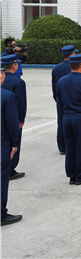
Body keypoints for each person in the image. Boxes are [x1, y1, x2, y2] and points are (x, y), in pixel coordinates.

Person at [57, 54, 81, 185]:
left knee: (70, 147)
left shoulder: (62, 81)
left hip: (67, 117)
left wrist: (62, 118)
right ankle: (80, 175)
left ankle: (72, 175)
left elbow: (59, 102)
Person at [1, 68, 22, 226]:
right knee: (2, 180)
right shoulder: (7, 96)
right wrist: (15, 144)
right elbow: (13, 124)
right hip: (3, 144)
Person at [1, 55, 26, 180]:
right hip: (13, 117)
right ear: (14, 65)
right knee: (14, 143)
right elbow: (21, 102)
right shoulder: (18, 82)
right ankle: (10, 169)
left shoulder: (3, 79)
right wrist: (21, 119)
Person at [52, 45, 76, 154]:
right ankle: (72, 145)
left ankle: (62, 147)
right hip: (74, 99)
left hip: (61, 99)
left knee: (61, 122)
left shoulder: (56, 68)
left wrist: (57, 99)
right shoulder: (74, 66)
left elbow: (54, 87)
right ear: (72, 54)